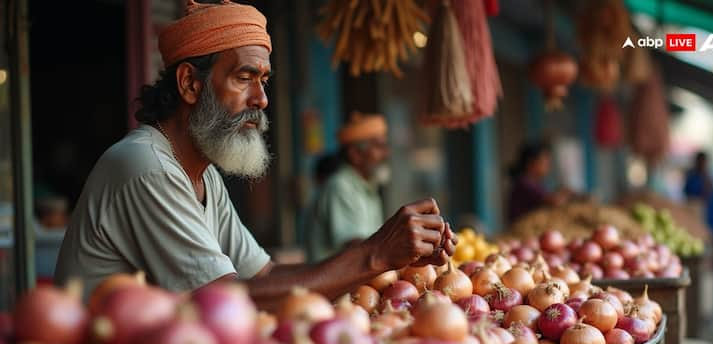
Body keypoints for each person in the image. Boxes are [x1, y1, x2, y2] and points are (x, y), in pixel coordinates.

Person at [54, 1, 455, 311]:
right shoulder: (147, 167)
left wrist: (388, 249)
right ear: (190, 84)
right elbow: (226, 303)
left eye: (263, 81)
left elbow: (268, 277)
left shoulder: (202, 174)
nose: (261, 99)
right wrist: (375, 254)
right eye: (244, 78)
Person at [307, 112, 391, 262]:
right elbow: (355, 248)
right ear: (355, 154)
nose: (386, 153)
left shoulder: (367, 187)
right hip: (333, 284)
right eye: (379, 147)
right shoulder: (341, 186)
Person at [506, 144, 572, 224]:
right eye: (544, 162)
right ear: (531, 163)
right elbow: (553, 202)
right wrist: (566, 195)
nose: (548, 166)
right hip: (522, 230)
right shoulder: (524, 184)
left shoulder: (535, 183)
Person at [684, 151, 713, 264]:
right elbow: (691, 198)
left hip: (712, 222)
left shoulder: (709, 177)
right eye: (702, 162)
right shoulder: (692, 178)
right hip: (698, 222)